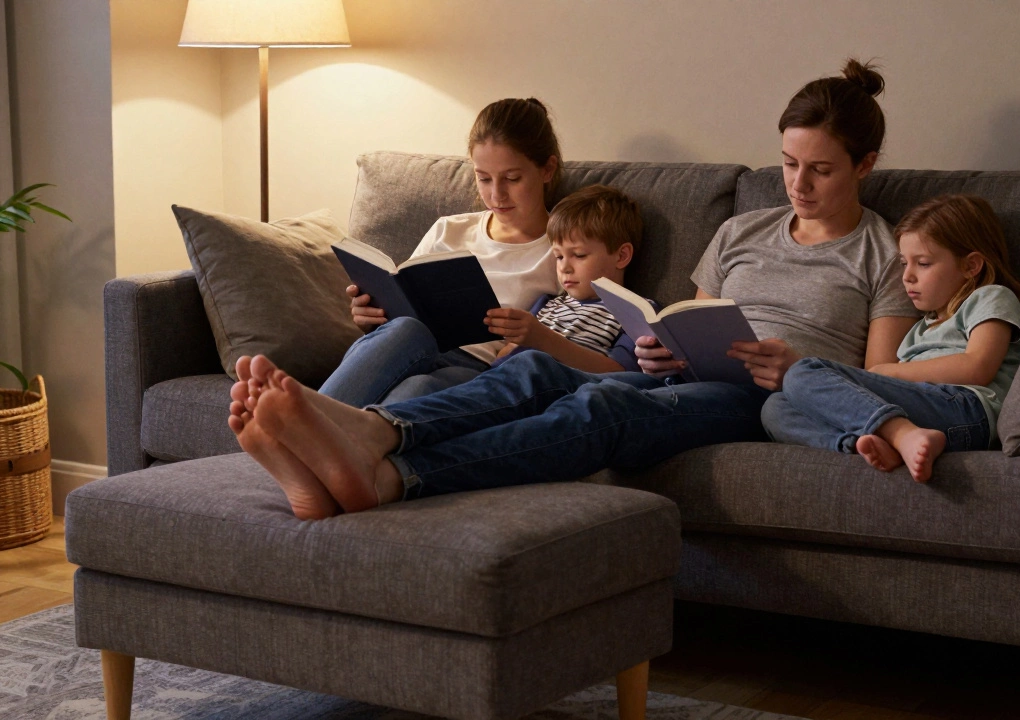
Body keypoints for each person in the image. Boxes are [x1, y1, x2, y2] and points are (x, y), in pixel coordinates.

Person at [230, 57, 922, 520]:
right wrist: (662, 346)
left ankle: (392, 472)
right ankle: (373, 432)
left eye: (821, 170)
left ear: (865, 165)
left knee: (603, 408)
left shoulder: (884, 252)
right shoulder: (741, 230)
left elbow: (877, 373)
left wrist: (793, 366)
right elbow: (690, 321)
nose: (797, 186)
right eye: (789, 163)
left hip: (760, 396)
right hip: (685, 375)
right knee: (537, 365)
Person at [761, 194, 1020, 483]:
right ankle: (868, 445)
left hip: (966, 410)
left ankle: (900, 434)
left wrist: (890, 371)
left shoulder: (990, 296)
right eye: (905, 263)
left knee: (802, 372)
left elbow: (977, 366)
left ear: (971, 266)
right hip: (927, 416)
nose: (908, 276)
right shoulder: (920, 329)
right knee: (775, 407)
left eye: (924, 263)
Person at [319, 98, 563, 406]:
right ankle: (304, 426)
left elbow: (580, 337)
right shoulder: (449, 230)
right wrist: (372, 317)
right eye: (483, 178)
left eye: (512, 179)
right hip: (409, 345)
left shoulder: (566, 252)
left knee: (415, 390)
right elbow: (405, 304)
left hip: (480, 371)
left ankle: (303, 430)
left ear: (547, 169)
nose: (496, 194)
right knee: (406, 329)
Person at [488, 183, 650, 374]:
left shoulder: (638, 311)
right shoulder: (547, 303)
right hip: (501, 378)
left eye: (579, 255)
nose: (564, 267)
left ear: (621, 256)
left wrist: (544, 339)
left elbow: (620, 373)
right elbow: (503, 355)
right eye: (559, 256)